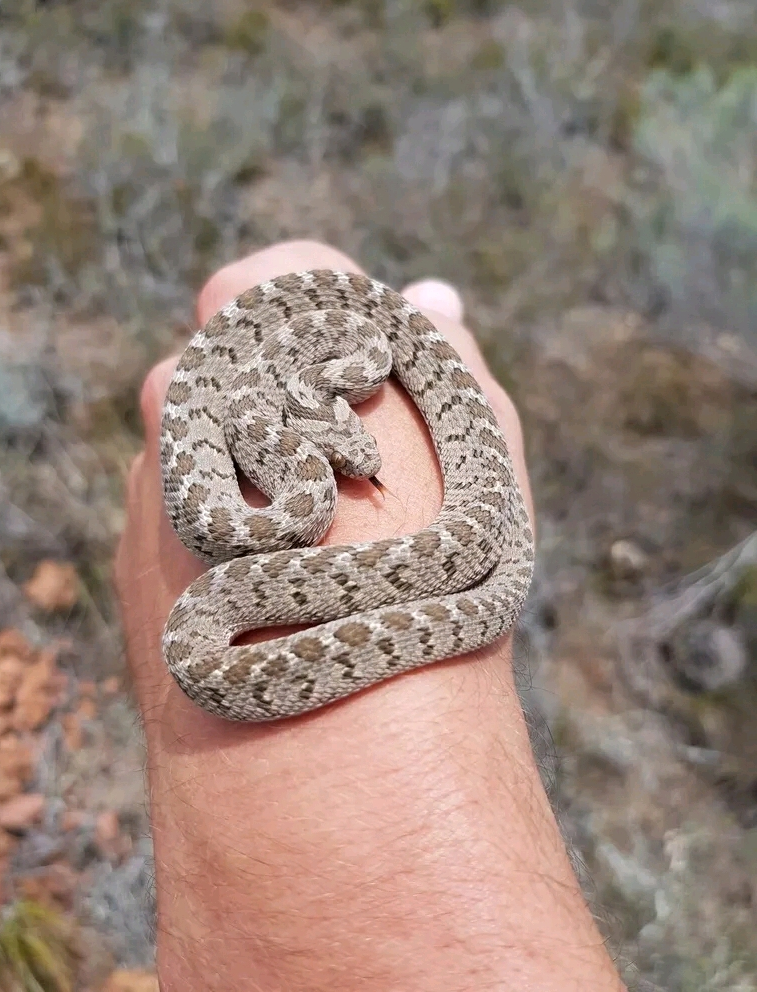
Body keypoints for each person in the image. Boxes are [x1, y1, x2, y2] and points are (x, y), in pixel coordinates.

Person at [115, 240, 627, 991]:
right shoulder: (289, 443)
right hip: (272, 479)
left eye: (359, 457)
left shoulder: (344, 365)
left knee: (484, 525)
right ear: (314, 426)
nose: (363, 466)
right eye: (346, 461)